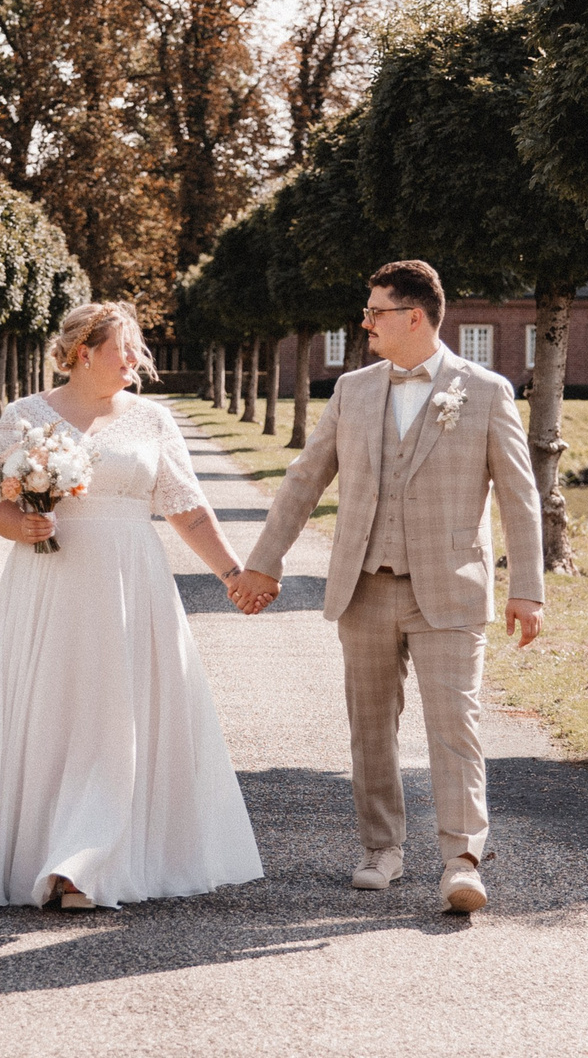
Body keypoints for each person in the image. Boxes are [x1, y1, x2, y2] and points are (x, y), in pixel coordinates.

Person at [230, 259, 544, 914]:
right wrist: (264, 561)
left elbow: (520, 495)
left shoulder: (485, 392)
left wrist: (529, 587)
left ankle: (462, 860)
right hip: (364, 586)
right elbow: (304, 478)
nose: (365, 321)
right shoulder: (353, 390)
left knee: (455, 724)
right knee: (370, 726)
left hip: (451, 588)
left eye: (375, 310)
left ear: (414, 316)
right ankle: (382, 849)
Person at [0, 301, 262, 911]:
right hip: (50, 582)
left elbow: (186, 508)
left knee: (117, 711)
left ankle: (86, 861)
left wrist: (233, 573)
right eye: (126, 347)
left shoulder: (154, 420)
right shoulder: (26, 416)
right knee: (57, 707)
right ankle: (48, 850)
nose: (138, 359)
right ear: (85, 351)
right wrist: (20, 528)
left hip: (131, 582)